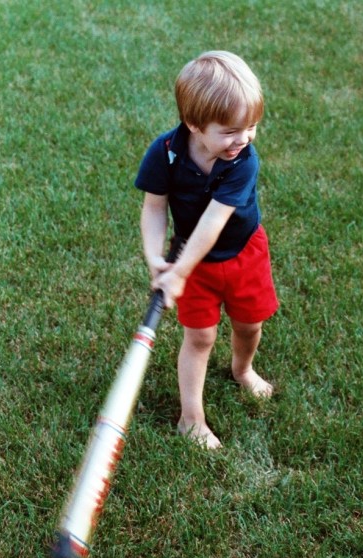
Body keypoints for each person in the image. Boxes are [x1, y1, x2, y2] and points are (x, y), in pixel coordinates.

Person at [134, 51, 279, 449]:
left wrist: (177, 271)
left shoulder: (243, 161)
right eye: (231, 130)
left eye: (251, 126)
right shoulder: (165, 152)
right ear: (194, 124)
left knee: (249, 324)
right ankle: (190, 418)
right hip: (194, 263)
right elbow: (154, 207)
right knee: (199, 338)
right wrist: (156, 259)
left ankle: (242, 369)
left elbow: (214, 222)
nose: (244, 138)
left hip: (244, 253)